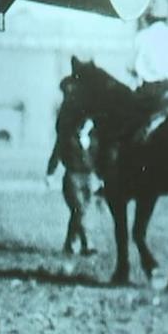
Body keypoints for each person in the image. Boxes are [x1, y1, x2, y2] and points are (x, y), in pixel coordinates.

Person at [45, 92, 99, 256]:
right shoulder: (67, 136)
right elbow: (56, 153)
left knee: (79, 213)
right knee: (79, 209)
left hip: (89, 177)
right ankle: (87, 244)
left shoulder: (94, 137)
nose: (86, 123)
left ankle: (69, 244)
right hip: (72, 177)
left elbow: (100, 158)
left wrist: (101, 178)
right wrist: (50, 174)